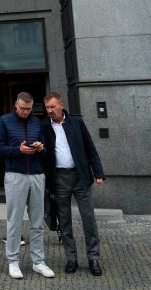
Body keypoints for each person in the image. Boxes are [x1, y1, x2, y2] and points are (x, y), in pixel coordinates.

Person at [42, 92, 106, 276]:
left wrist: (98, 172)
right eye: (47, 108)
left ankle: (93, 258)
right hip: (59, 178)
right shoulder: (45, 126)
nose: (50, 111)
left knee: (89, 219)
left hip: (80, 176)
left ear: (61, 105)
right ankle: (71, 258)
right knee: (64, 221)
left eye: (53, 107)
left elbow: (90, 148)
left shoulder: (77, 122)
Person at [0, 92, 55, 279]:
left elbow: (45, 149)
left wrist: (40, 147)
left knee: (38, 222)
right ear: (16, 104)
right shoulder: (4, 121)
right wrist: (17, 150)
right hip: (15, 174)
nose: (25, 112)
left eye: (28, 109)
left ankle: (38, 261)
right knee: (14, 221)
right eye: (22, 108)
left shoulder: (37, 122)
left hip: (37, 174)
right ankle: (13, 261)